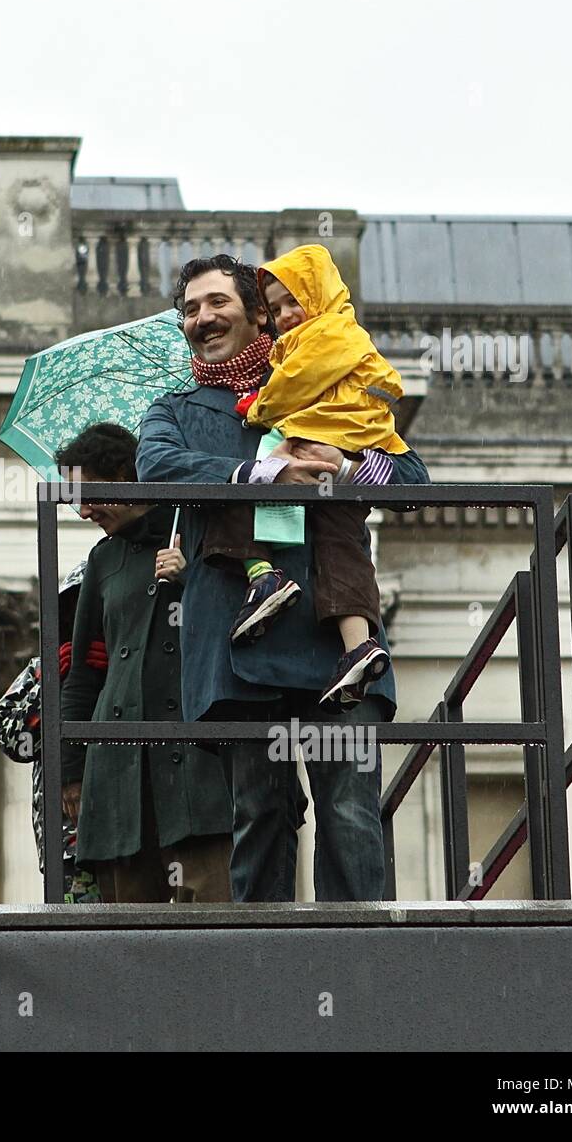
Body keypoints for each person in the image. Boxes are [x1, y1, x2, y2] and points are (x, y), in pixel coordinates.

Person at [136, 254, 430, 903]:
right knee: (260, 818)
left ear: (257, 310)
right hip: (237, 645)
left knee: (352, 818)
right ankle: (266, 974)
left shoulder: (324, 378)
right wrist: (260, 475)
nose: (202, 318)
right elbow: (154, 466)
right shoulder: (175, 410)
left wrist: (348, 467)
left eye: (216, 302)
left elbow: (414, 485)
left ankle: (356, 974)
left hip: (335, 640)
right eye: (189, 309)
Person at [201, 244, 411, 710]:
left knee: (255, 491)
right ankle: (356, 645)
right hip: (259, 679)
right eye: (275, 309)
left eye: (293, 302)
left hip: (338, 440)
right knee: (318, 529)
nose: (285, 315)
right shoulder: (297, 346)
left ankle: (268, 581)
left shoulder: (330, 333)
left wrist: (345, 467)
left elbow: (414, 483)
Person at [57, 423, 234, 904]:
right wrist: (71, 771)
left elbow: (246, 627)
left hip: (198, 765)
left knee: (218, 922)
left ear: (123, 475)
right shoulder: (101, 561)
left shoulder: (197, 531)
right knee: (129, 941)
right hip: (119, 769)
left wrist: (192, 580)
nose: (83, 510)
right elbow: (83, 676)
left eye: (89, 493)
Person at [0, 561, 105, 902]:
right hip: (67, 844)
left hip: (128, 836)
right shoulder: (46, 666)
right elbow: (10, 737)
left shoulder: (131, 660)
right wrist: (55, 682)